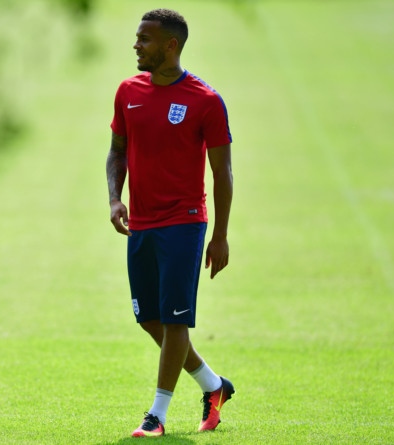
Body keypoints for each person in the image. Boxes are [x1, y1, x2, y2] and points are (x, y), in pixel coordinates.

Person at [105, 8, 235, 437]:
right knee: (149, 318)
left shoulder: (205, 100)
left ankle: (156, 416)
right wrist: (114, 200)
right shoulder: (128, 91)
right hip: (141, 221)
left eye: (144, 39)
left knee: (176, 319)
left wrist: (220, 235)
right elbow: (117, 151)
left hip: (185, 220)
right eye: (137, 37)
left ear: (170, 46)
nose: (136, 45)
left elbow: (223, 173)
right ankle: (213, 386)